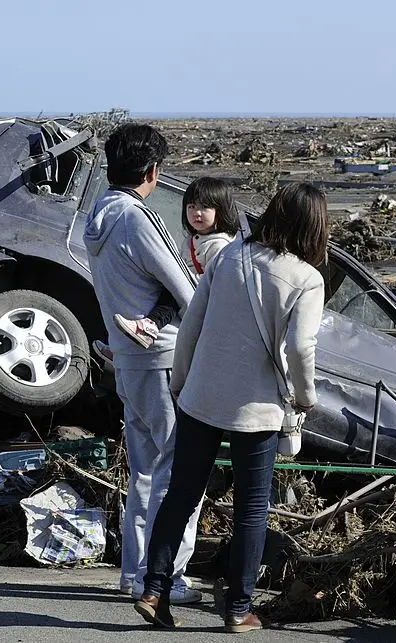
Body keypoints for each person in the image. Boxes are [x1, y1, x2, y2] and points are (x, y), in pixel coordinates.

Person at [134, 183, 329, 632]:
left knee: (181, 495)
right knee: (251, 509)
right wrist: (306, 397)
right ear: (315, 226)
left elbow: (190, 327)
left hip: (201, 396)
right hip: (256, 409)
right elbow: (301, 348)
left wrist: (181, 383)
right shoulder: (307, 278)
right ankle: (239, 609)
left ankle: (154, 590)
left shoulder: (230, 256)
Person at [82, 123, 202, 604]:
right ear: (152, 171)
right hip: (164, 358)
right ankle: (165, 577)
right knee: (178, 471)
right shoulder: (138, 219)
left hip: (128, 359)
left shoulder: (98, 216)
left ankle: (134, 573)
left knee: (145, 472)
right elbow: (189, 293)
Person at [93, 176, 239, 362]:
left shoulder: (219, 244)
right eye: (192, 207)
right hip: (186, 293)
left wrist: (180, 282)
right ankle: (124, 347)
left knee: (167, 296)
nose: (197, 213)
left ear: (221, 210)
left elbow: (217, 281)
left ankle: (145, 331)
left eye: (205, 207)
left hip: (198, 298)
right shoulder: (192, 239)